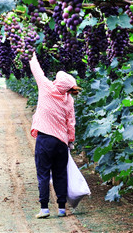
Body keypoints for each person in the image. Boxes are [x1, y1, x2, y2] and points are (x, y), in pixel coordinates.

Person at [29, 55, 81, 219]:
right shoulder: (69, 99)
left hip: (45, 140)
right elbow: (70, 123)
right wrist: (70, 141)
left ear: (58, 82)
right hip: (61, 143)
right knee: (60, 174)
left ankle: (44, 208)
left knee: (43, 174)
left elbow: (36, 68)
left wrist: (31, 52)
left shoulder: (46, 88)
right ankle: (61, 209)